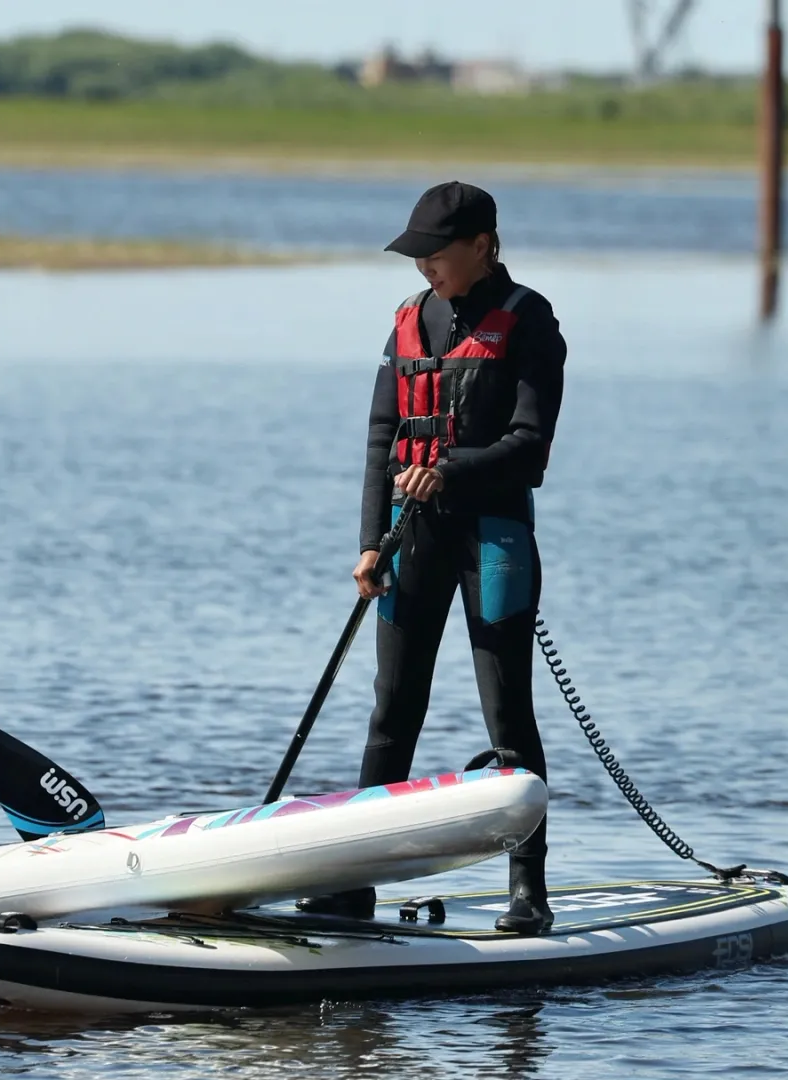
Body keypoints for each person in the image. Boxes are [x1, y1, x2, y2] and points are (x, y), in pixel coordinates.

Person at [304, 181, 567, 934]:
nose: (423, 268)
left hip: (494, 537)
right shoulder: (409, 322)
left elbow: (531, 447)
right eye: (414, 255)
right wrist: (366, 542)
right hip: (409, 535)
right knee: (392, 709)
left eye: (434, 254)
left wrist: (450, 470)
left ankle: (529, 893)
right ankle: (354, 885)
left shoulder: (529, 321)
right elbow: (381, 440)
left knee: (507, 710)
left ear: (483, 243)